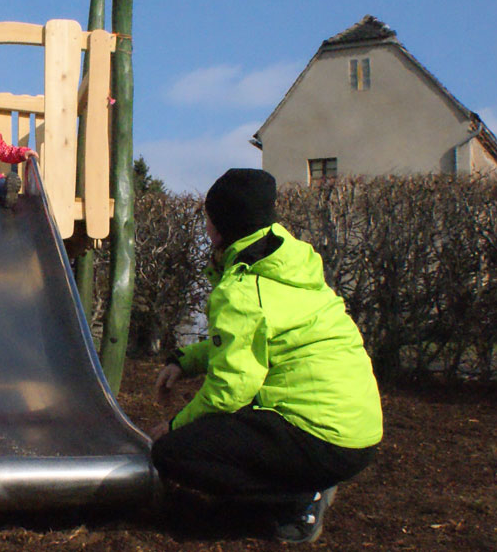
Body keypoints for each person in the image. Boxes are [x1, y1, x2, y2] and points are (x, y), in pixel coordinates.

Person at [149, 168, 382, 544]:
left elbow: (230, 390)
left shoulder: (243, 289)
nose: (205, 226)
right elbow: (247, 342)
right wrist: (185, 360)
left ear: (220, 226)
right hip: (357, 433)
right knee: (229, 428)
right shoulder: (288, 263)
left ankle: (297, 499)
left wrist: (174, 427)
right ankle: (303, 483)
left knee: (175, 454)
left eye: (207, 218)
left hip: (320, 438)